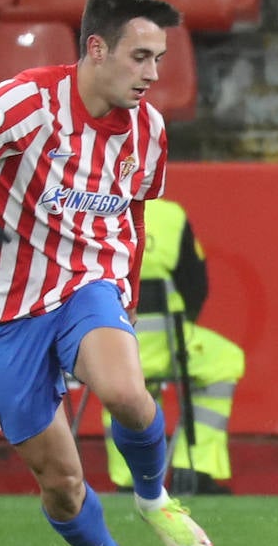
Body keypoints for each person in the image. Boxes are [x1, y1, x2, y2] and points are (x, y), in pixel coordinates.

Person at [0, 0, 214, 546]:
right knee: (61, 484)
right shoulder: (27, 102)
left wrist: (125, 288)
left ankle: (154, 497)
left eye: (160, 59)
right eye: (141, 57)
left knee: (126, 394)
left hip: (87, 282)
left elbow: (134, 213)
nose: (153, 74)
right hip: (2, 307)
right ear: (96, 49)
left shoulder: (149, 131)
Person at [102, 197, 246, 496]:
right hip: (169, 347)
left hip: (106, 348)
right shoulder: (170, 216)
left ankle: (128, 477)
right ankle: (195, 467)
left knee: (118, 384)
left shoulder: (92, 211)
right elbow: (195, 284)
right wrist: (179, 332)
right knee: (226, 360)